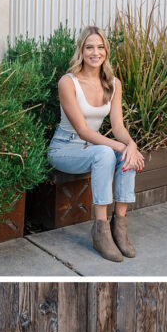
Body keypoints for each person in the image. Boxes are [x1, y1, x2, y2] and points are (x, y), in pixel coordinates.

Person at [49, 26, 146, 262]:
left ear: (106, 51)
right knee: (107, 152)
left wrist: (130, 146)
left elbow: (118, 127)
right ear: (81, 51)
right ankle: (100, 229)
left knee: (124, 155)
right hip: (66, 147)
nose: (95, 52)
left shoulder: (113, 83)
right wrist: (119, 146)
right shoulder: (68, 82)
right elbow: (82, 130)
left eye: (100, 47)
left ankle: (119, 227)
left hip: (92, 148)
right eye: (89, 47)